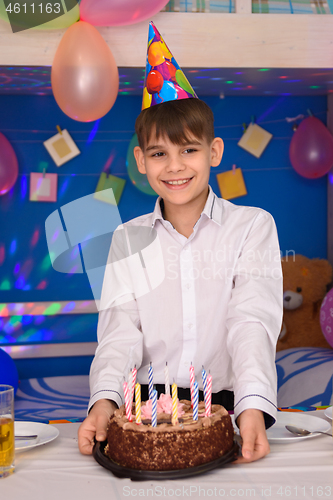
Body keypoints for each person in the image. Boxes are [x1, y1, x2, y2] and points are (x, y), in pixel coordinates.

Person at [78, 23, 283, 464]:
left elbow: (251, 321)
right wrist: (103, 401)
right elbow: (119, 332)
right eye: (159, 154)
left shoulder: (253, 227)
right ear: (140, 161)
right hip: (144, 414)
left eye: (189, 150)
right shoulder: (126, 237)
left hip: (225, 409)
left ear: (214, 152)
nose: (175, 167)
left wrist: (252, 404)